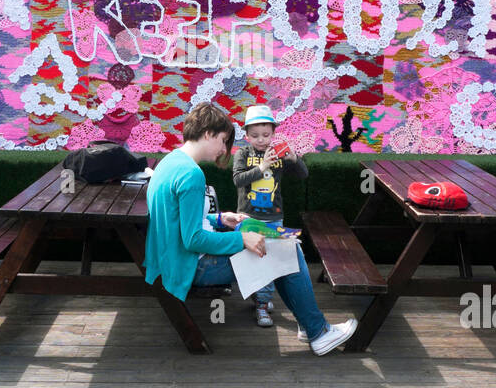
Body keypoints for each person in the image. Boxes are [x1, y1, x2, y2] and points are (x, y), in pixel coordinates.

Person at [144, 102, 357, 355]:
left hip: (172, 260)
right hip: (193, 266)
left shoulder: (170, 162)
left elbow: (176, 221)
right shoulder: (191, 174)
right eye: (223, 141)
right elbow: (193, 240)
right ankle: (317, 331)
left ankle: (308, 324)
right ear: (208, 134)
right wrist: (242, 239)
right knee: (285, 251)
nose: (224, 149)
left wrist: (220, 219)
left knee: (281, 246)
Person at [232, 104, 308, 327]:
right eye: (255, 135)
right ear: (246, 135)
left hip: (274, 218)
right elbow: (238, 180)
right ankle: (261, 301)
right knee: (254, 261)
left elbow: (303, 175)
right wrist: (263, 165)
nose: (261, 140)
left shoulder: (278, 153)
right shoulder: (243, 154)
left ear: (273, 133)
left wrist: (295, 159)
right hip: (248, 217)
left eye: (266, 135)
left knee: (271, 262)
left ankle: (263, 302)